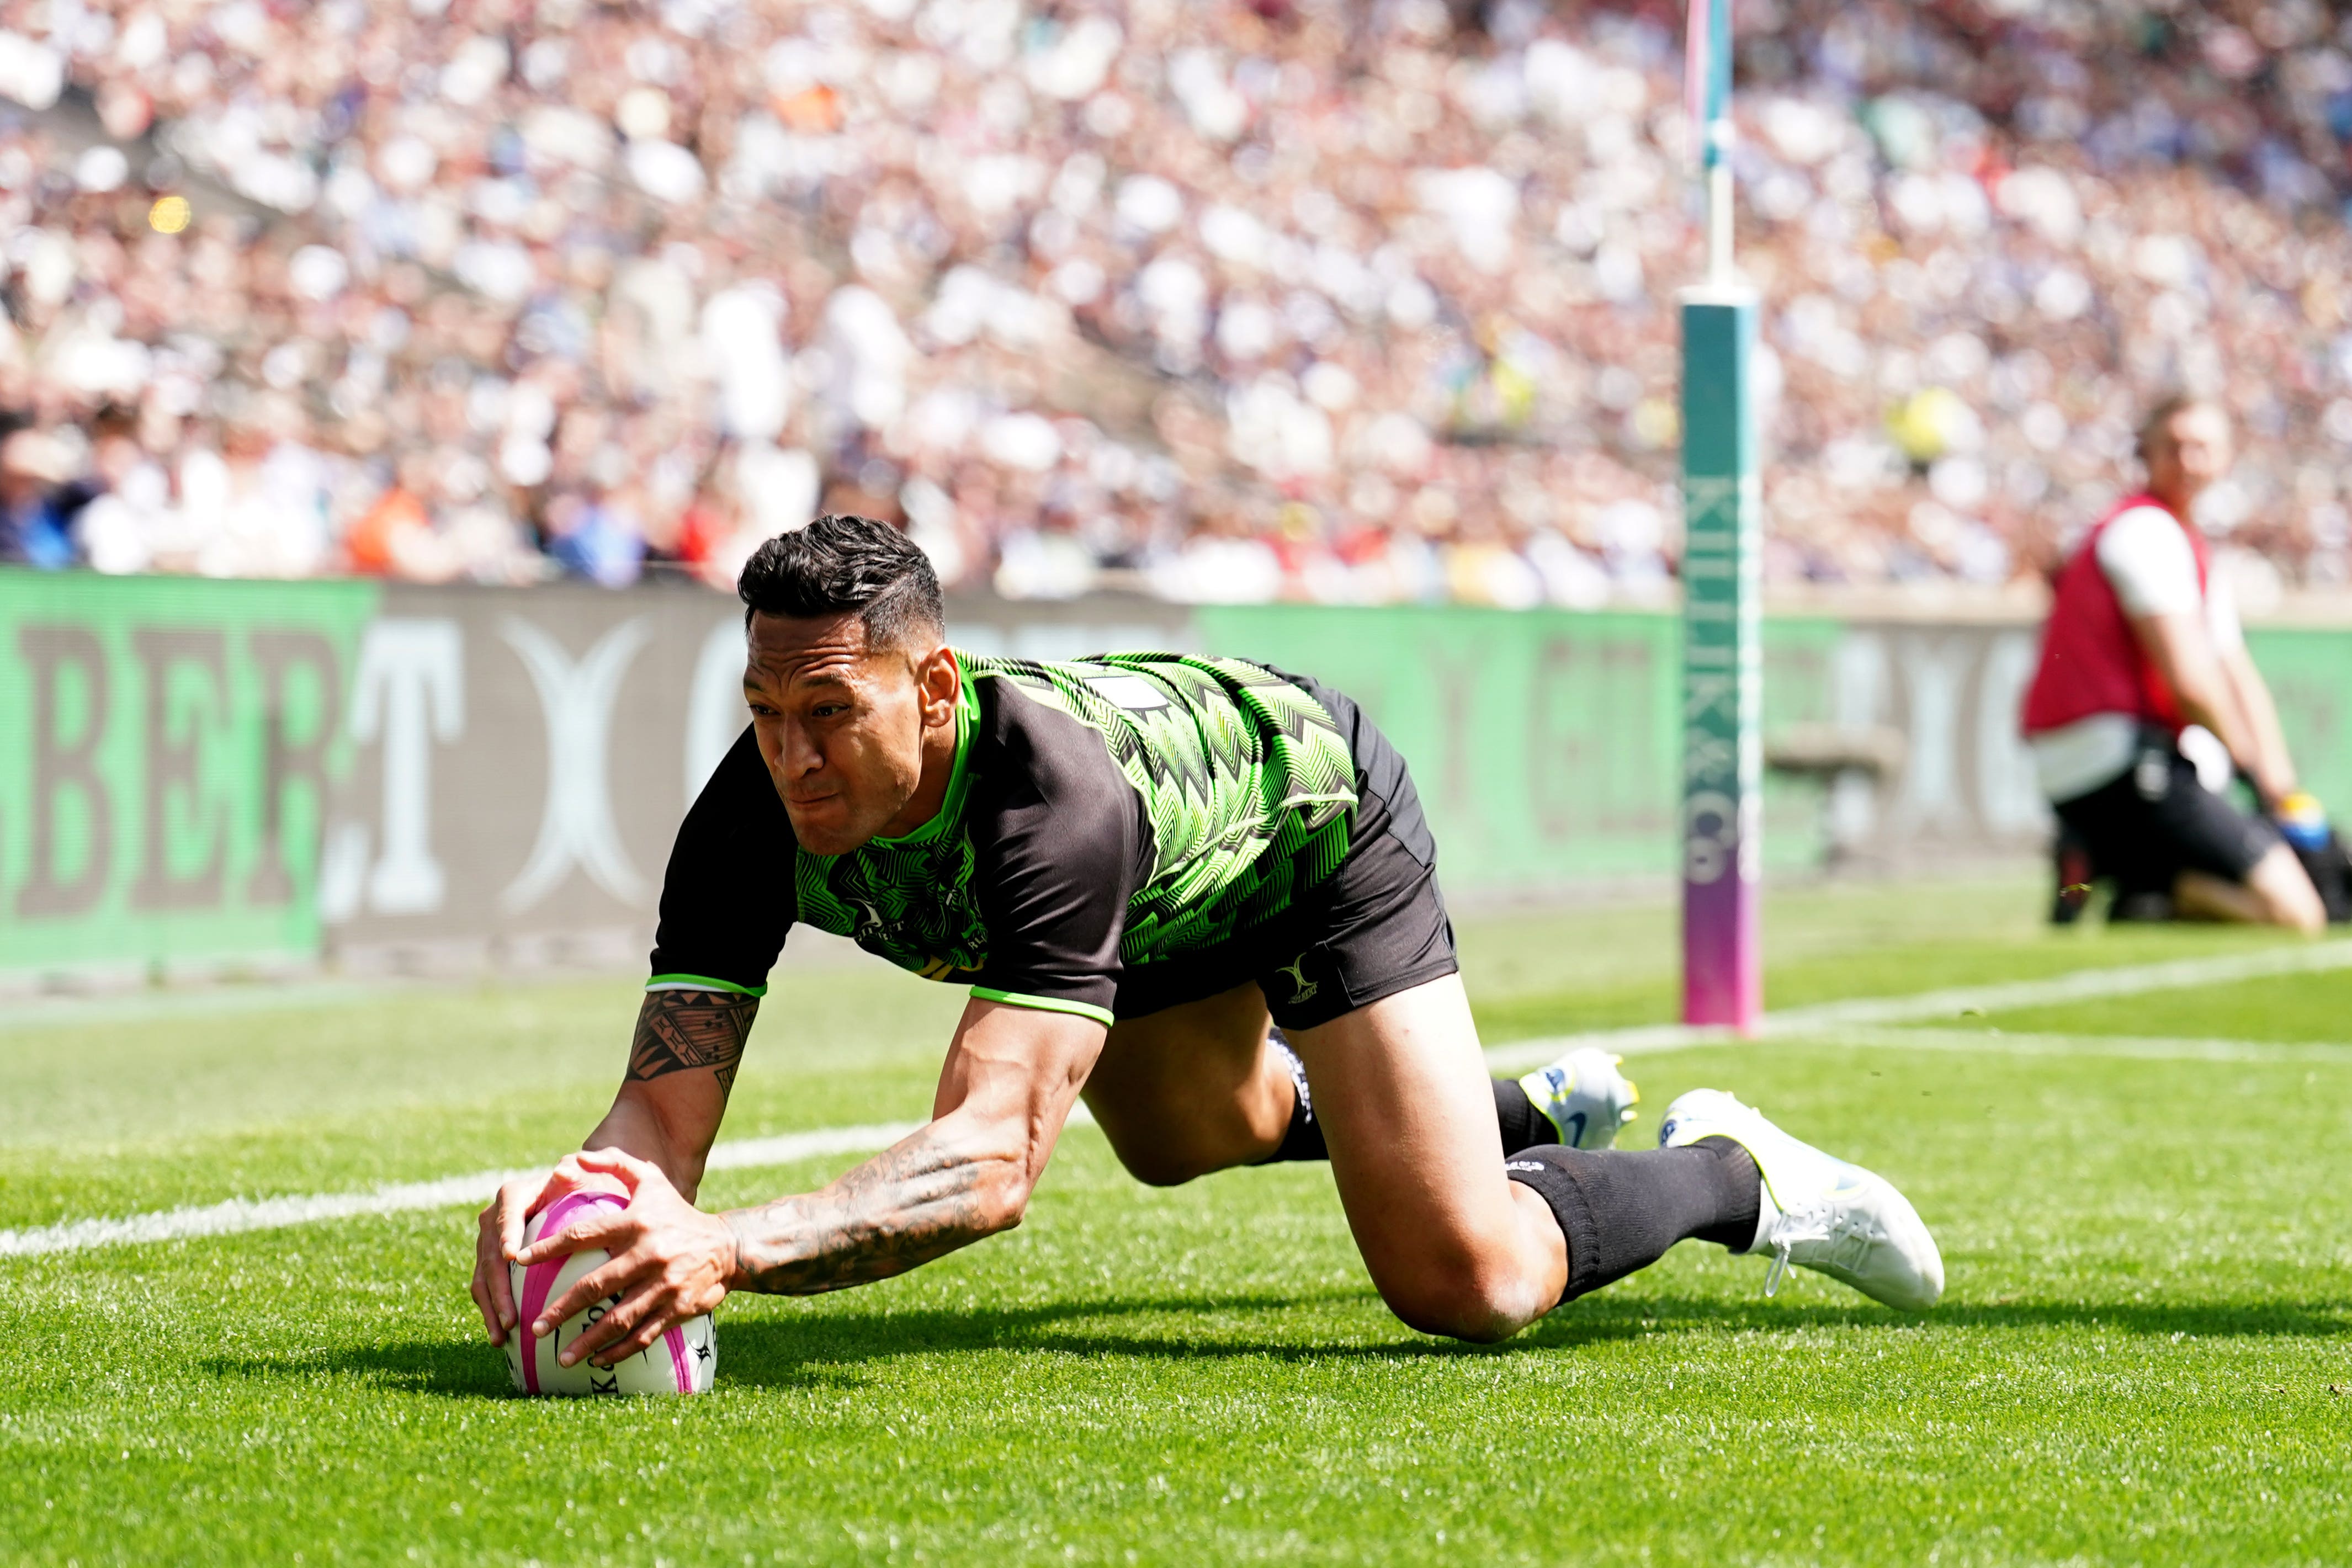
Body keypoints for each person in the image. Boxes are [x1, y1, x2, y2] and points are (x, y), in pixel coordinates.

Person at [470, 515, 1942, 1369]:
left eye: (827, 714)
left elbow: (987, 1162)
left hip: (1303, 826)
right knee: (1186, 1137)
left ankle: (1735, 1174)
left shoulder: (1046, 802)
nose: (789, 755)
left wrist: (717, 1249)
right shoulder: (747, 817)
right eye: (764, 712)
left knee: (1466, 1280)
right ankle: (1505, 1110)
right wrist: (585, 1208)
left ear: (930, 691)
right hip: (1160, 899)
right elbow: (662, 1108)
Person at [2023, 397, 2327, 931]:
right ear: (2146, 454)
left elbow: (2235, 673)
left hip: (2103, 759)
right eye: (2174, 447)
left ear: (2227, 457)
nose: (2187, 461)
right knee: (2297, 914)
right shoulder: (2146, 532)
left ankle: (2125, 874)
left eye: (2201, 448)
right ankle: (2142, 885)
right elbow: (2192, 683)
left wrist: (2279, 784)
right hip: (2119, 758)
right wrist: (2252, 774)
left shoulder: (2177, 541)